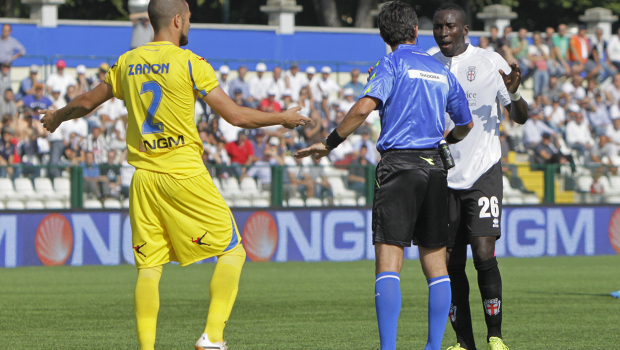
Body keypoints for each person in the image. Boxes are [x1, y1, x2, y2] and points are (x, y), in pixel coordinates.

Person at [39, 2, 310, 350]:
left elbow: (88, 101)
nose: (190, 24)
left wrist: (58, 117)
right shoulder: (190, 63)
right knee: (233, 250)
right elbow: (236, 117)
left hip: (143, 180)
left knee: (149, 267)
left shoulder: (127, 61)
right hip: (184, 173)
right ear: (178, 20)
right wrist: (281, 118)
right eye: (190, 19)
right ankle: (212, 336)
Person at [295, 2, 474, 349]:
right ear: (416, 32)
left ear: (382, 35)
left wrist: (328, 143)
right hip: (436, 169)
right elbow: (465, 124)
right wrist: (445, 141)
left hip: (399, 167)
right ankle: (433, 347)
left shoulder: (389, 63)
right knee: (437, 264)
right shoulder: (440, 70)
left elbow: (364, 107)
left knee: (389, 260)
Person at [432, 4, 529, 350]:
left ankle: (495, 336)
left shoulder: (490, 62)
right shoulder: (429, 63)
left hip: (483, 172)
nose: (443, 32)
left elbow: (520, 117)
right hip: (443, 176)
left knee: (483, 253)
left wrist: (515, 92)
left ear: (464, 29)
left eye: (450, 26)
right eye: (438, 27)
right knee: (450, 261)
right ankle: (464, 343)